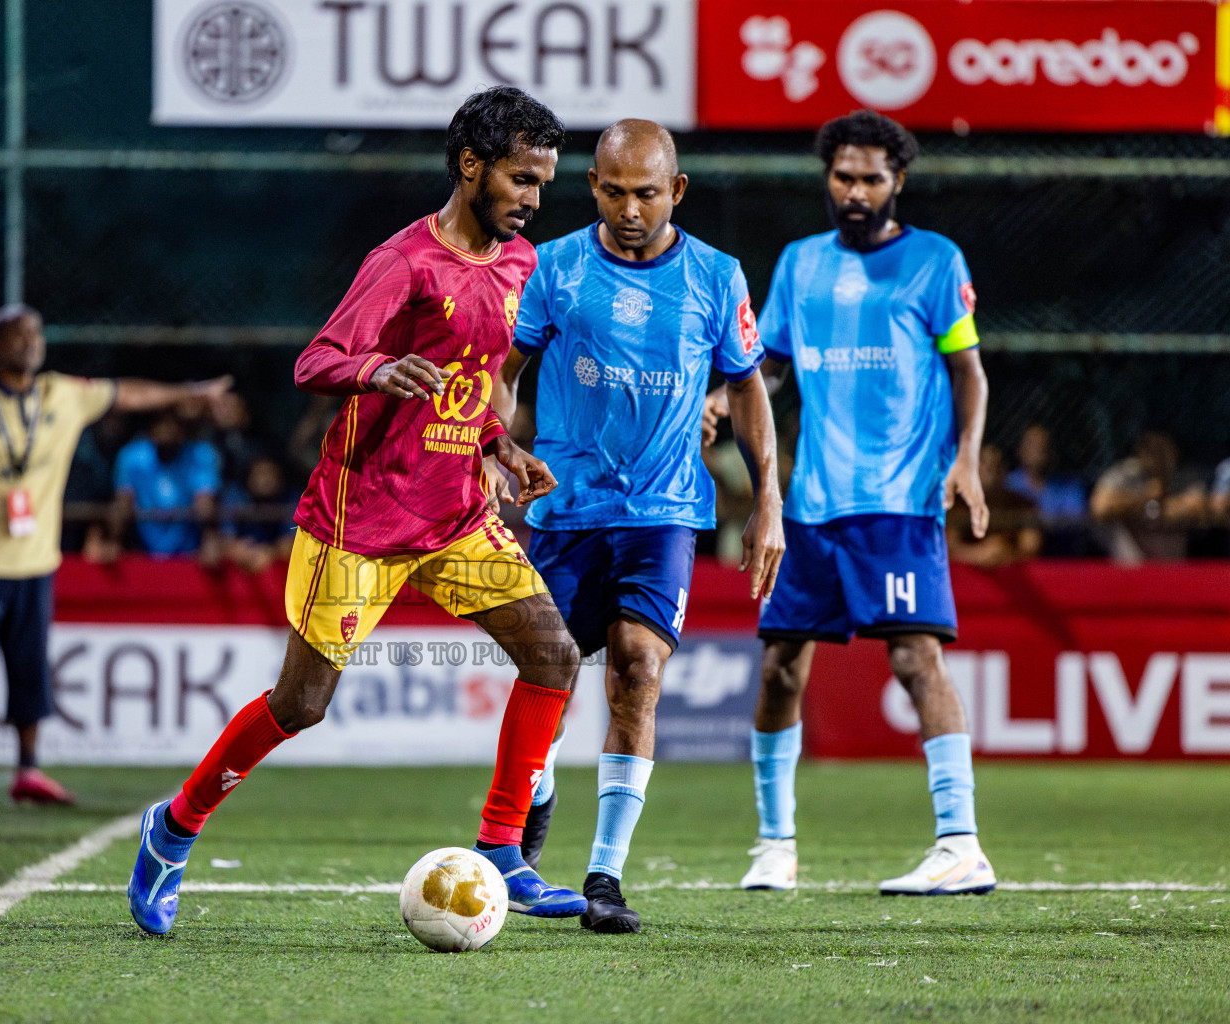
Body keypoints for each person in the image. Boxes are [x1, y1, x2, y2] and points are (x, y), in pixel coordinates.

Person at [126, 86, 588, 936]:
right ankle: (173, 828)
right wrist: (374, 370)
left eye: (544, 184)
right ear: (470, 165)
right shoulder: (403, 263)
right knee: (301, 704)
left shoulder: (521, 265)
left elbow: (473, 382)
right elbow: (317, 360)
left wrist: (498, 444)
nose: (532, 199)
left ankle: (505, 852)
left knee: (554, 656)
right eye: (521, 179)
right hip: (360, 522)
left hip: (454, 515)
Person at [493, 120, 785, 933]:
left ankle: (604, 878)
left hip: (663, 514)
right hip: (563, 509)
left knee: (638, 670)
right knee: (547, 675)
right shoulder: (551, 268)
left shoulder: (717, 278)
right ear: (592, 186)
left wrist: (768, 501)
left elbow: (749, 386)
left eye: (647, 193)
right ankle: (536, 790)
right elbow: (505, 369)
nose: (629, 209)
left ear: (676, 191)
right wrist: (494, 444)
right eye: (615, 191)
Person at [713, 110, 997, 896]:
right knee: (777, 670)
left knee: (914, 658)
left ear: (897, 181)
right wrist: (723, 399)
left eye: (872, 178)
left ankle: (961, 843)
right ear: (827, 179)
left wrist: (966, 462)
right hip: (810, 505)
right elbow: (765, 365)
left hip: (898, 499)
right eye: (844, 177)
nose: (857, 191)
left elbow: (969, 373)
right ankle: (775, 845)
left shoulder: (936, 263)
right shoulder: (801, 266)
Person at [0, 304, 233, 807]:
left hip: (36, 561)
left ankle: (28, 770)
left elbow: (128, 393)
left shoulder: (63, 394)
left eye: (36, 333)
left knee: (30, 671)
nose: (32, 341)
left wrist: (190, 392)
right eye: (19, 334)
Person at [112, 412, 224, 561]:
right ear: (150, 430)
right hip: (142, 547)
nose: (166, 430)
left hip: (190, 550)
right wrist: (114, 540)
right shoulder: (132, 456)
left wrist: (210, 540)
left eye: (173, 425)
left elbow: (205, 502)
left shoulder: (201, 455)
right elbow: (123, 501)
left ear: (183, 431)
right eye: (161, 424)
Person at [1089, 431, 1205, 562]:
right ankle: (1134, 575)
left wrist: (1155, 509)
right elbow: (1101, 508)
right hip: (1131, 556)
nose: (1157, 455)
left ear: (1174, 450)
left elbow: (1197, 510)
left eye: (1162, 449)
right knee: (1109, 525)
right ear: (1139, 452)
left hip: (1171, 554)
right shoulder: (1126, 472)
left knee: (1166, 522)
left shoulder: (1184, 475)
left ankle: (1169, 575)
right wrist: (1146, 497)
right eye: (1149, 449)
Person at [947, 445, 1040, 568]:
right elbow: (947, 546)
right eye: (983, 463)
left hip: (1010, 578)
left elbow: (1030, 546)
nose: (989, 470)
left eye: (995, 465)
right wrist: (978, 554)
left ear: (1004, 470)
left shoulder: (1021, 504)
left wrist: (1003, 553)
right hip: (963, 580)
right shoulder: (956, 503)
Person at [1005, 423, 1088, 556]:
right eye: (1032, 445)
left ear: (1052, 452)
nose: (1039, 450)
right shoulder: (1008, 484)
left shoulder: (1070, 486)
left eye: (1044, 446)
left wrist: (1037, 521)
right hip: (1018, 556)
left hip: (1062, 555)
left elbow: (1075, 520)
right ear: (1021, 450)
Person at [219, 455, 296, 573]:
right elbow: (224, 540)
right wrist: (238, 551)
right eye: (260, 473)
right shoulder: (235, 495)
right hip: (240, 572)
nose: (266, 480)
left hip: (279, 574)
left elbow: (293, 543)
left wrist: (271, 552)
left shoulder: (292, 499)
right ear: (249, 477)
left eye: (270, 473)